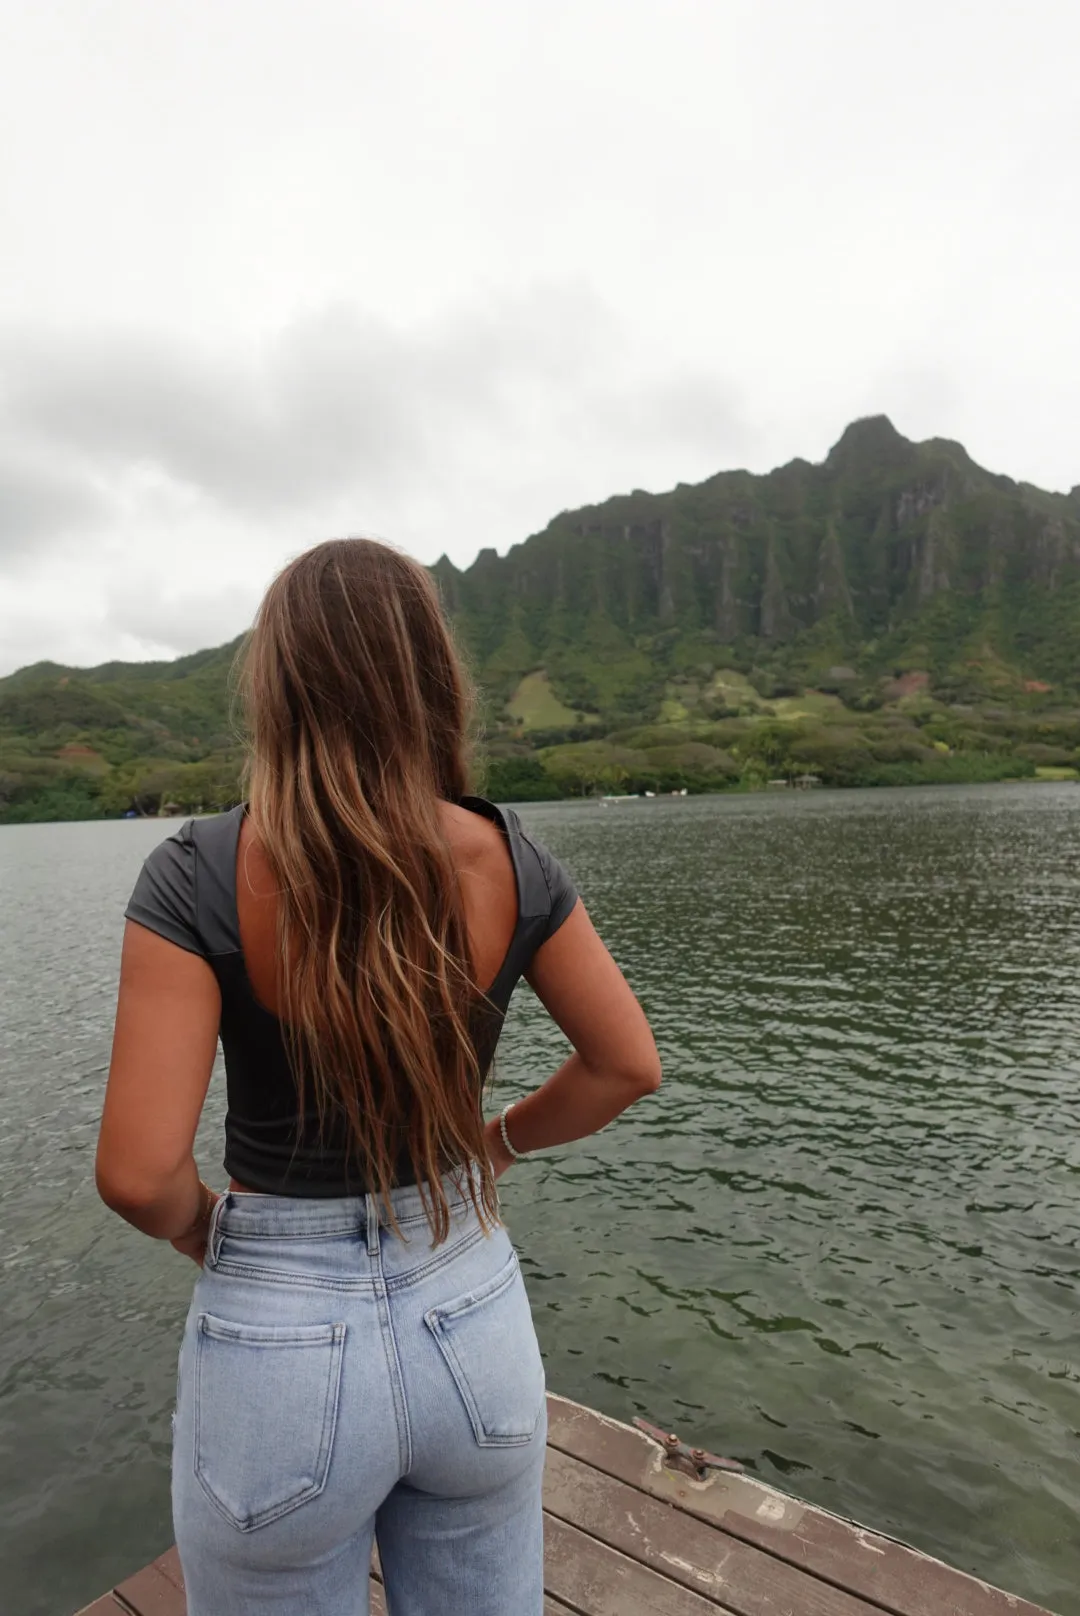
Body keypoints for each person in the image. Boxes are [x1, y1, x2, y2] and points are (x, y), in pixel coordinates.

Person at [95, 538, 661, 1616]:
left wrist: (202, 1228)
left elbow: (136, 1172)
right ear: (429, 678)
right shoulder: (510, 856)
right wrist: (493, 1144)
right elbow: (626, 1064)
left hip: (275, 1345)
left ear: (277, 686)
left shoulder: (195, 873)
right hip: (472, 1313)